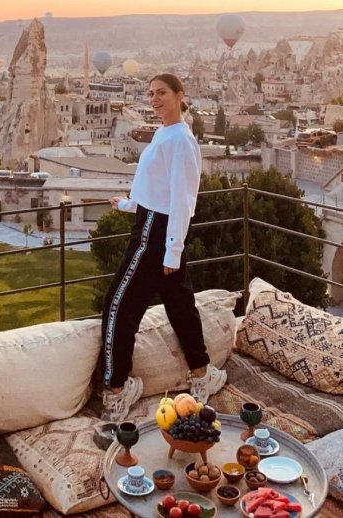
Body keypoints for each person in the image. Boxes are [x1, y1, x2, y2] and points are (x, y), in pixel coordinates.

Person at [100, 73, 227, 422]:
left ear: (179, 95)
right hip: (154, 223)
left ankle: (117, 387)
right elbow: (157, 188)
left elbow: (182, 199)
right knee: (179, 304)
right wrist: (129, 205)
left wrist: (172, 250)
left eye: (162, 93)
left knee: (117, 306)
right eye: (151, 93)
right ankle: (202, 374)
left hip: (159, 232)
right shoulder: (163, 133)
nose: (155, 99)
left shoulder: (181, 142)